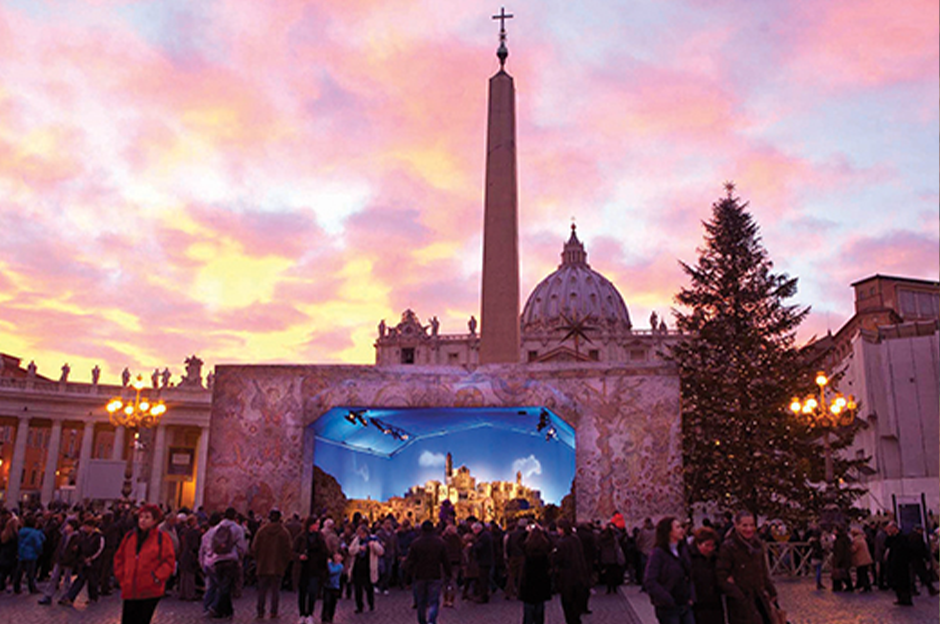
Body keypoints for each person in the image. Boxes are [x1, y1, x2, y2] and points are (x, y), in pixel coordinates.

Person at [113, 504, 176, 624]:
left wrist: (156, 577)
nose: (142, 520)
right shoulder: (130, 536)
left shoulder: (162, 538)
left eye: (147, 517)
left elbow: (168, 561)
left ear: (155, 521)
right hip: (130, 588)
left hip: (150, 589)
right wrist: (122, 576)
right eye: (141, 517)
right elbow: (119, 558)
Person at [716, 510, 777, 624]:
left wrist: (771, 591)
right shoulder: (729, 547)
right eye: (744, 525)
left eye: (752, 525)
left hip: (759, 598)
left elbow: (763, 571)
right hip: (741, 604)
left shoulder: (757, 545)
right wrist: (740, 597)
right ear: (736, 525)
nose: (749, 529)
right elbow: (722, 577)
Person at [644, 517, 695, 624]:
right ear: (668, 532)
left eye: (681, 526)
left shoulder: (683, 549)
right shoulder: (658, 553)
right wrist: (666, 598)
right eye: (677, 527)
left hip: (684, 603)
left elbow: (689, 574)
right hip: (669, 606)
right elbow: (650, 580)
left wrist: (691, 595)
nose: (681, 530)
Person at [201, 507, 248, 619]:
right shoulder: (237, 528)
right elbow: (242, 546)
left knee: (223, 585)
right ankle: (215, 607)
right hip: (230, 560)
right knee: (225, 586)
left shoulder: (217, 528)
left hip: (217, 560)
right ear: (235, 517)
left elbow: (211, 544)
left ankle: (227, 611)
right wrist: (240, 558)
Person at [405, 520, 451, 624]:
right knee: (434, 601)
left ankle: (422, 621)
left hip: (419, 575)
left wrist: (407, 578)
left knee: (421, 602)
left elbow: (410, 562)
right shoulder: (440, 542)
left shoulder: (416, 543)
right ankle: (431, 620)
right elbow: (445, 560)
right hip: (435, 574)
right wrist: (449, 574)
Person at [251, 509, 293, 619]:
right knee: (275, 591)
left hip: (263, 565)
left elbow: (254, 548)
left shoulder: (261, 531)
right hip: (278, 566)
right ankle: (273, 612)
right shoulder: (284, 533)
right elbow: (288, 550)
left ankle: (260, 612)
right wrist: (284, 563)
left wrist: (259, 560)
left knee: (262, 591)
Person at [553, 519, 590, 624]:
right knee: (575, 606)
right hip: (578, 576)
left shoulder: (561, 543)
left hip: (566, 579)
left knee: (568, 607)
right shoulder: (576, 540)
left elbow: (557, 559)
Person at [62, 516, 104, 605]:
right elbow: (81, 545)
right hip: (83, 561)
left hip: (93, 562)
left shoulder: (98, 536)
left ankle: (93, 597)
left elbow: (100, 549)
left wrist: (92, 558)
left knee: (92, 581)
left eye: (86, 527)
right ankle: (70, 597)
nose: (85, 528)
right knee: (80, 579)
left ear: (92, 526)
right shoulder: (83, 535)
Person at [38, 518, 81, 605]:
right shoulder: (63, 535)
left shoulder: (77, 537)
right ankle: (48, 595)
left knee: (67, 579)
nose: (66, 526)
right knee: (53, 577)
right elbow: (58, 547)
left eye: (68, 525)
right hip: (60, 559)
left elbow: (76, 550)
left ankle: (65, 596)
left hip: (69, 561)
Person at [295, 516, 329, 623]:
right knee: (302, 592)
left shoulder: (320, 537)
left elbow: (325, 551)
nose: (318, 526)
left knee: (312, 592)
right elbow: (293, 551)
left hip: (315, 568)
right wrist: (299, 556)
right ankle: (302, 614)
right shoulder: (301, 537)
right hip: (303, 567)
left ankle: (310, 613)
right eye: (316, 524)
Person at [519, 524, 553, 624]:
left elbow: (519, 542)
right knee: (540, 607)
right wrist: (544, 532)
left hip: (528, 581)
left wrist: (526, 532)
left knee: (528, 609)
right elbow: (551, 543)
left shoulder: (527, 549)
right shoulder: (545, 550)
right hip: (542, 581)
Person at [690, 526, 724, 624]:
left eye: (712, 546)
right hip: (698, 605)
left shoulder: (716, 559)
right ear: (698, 544)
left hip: (714, 604)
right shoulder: (690, 559)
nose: (710, 549)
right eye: (707, 545)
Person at [348, 523, 384, 613]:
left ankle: (371, 604)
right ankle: (359, 606)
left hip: (368, 567)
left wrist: (373, 546)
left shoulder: (373, 539)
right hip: (358, 567)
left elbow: (381, 551)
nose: (361, 535)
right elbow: (350, 550)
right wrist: (359, 548)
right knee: (358, 588)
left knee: (369, 588)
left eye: (362, 533)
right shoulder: (357, 540)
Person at [13, 514, 45, 594]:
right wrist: (39, 552)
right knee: (31, 573)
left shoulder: (21, 531)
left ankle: (16, 586)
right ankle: (32, 588)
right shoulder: (35, 533)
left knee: (19, 571)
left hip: (22, 553)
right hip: (31, 555)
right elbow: (38, 544)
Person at [884, 521, 914, 605]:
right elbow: (886, 544)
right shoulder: (893, 537)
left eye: (890, 528)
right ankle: (900, 598)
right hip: (895, 563)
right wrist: (889, 536)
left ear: (895, 528)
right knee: (897, 582)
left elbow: (906, 549)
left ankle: (906, 599)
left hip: (902, 563)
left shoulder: (902, 537)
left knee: (903, 582)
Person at [470, 521, 494, 603]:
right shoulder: (486, 535)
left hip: (484, 560)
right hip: (486, 560)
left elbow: (480, 547)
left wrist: (473, 546)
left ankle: (483, 596)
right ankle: (484, 595)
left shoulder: (483, 536)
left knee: (483, 579)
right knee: (484, 579)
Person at [441, 522, 463, 607]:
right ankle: (451, 600)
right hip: (455, 562)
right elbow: (461, 550)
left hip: (445, 562)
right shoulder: (458, 539)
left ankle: (445, 599)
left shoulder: (443, 539)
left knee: (445, 582)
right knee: (453, 581)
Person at [322, 552, 344, 624]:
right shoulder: (331, 563)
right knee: (326, 602)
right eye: (335, 555)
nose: (336, 556)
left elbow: (332, 571)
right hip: (327, 586)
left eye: (338, 555)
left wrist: (328, 564)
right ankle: (324, 617)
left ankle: (330, 617)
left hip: (335, 587)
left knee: (332, 603)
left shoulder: (340, 566)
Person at [831, 525, 854, 592]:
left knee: (840, 573)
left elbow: (839, 552)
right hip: (846, 560)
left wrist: (837, 561)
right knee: (844, 573)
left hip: (842, 560)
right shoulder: (845, 539)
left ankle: (840, 586)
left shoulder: (840, 541)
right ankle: (847, 586)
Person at [850, 526, 873, 592]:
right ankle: (866, 586)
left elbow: (853, 549)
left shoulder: (856, 541)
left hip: (861, 560)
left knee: (862, 573)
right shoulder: (862, 539)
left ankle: (865, 586)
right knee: (864, 573)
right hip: (866, 559)